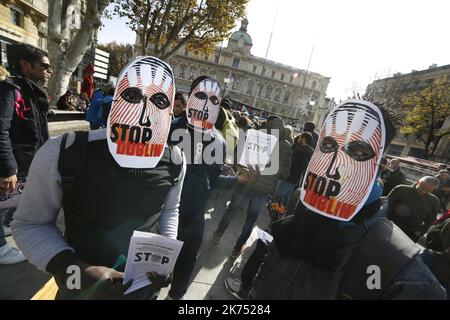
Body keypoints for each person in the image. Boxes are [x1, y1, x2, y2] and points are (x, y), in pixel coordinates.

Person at [12, 56, 186, 299]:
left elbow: (170, 209)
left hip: (141, 290)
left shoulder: (176, 160)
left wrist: (164, 257)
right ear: (116, 99)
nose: (145, 115)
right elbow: (29, 224)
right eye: (133, 97)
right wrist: (76, 272)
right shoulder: (63, 152)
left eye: (158, 101)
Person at [251, 99, 446, 300]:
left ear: (379, 163)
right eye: (328, 145)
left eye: (358, 152)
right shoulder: (300, 202)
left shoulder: (405, 279)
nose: (334, 168)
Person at [167, 76, 254, 300]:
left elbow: (213, 180)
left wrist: (238, 181)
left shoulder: (219, 141)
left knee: (184, 270)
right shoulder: (169, 129)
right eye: (201, 96)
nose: (207, 104)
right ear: (190, 99)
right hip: (163, 216)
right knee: (153, 274)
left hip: (195, 220)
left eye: (214, 100)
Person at [0, 44, 53, 265]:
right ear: (25, 65)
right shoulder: (10, 90)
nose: (49, 71)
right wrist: (7, 169)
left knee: (15, 206)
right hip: (14, 166)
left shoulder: (30, 90)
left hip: (28, 163)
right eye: (44, 66)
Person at [213, 115, 292, 258]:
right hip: (264, 190)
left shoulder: (256, 135)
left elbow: (239, 153)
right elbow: (286, 173)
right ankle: (236, 249)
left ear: (268, 124)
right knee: (250, 220)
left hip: (246, 182)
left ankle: (218, 234)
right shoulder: (286, 146)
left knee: (231, 210)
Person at [387, 176, 440, 242]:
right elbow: (387, 206)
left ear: (433, 190)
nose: (423, 191)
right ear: (418, 182)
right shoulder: (401, 189)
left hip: (411, 233)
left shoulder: (434, 201)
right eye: (422, 187)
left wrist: (421, 231)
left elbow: (431, 220)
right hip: (391, 225)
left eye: (428, 190)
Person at [275, 132, 314, 207]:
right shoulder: (311, 152)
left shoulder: (299, 150)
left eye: (300, 137)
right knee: (288, 197)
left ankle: (276, 211)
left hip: (289, 176)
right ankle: (282, 212)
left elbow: (291, 163)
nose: (298, 139)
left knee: (278, 195)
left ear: (303, 139)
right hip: (298, 178)